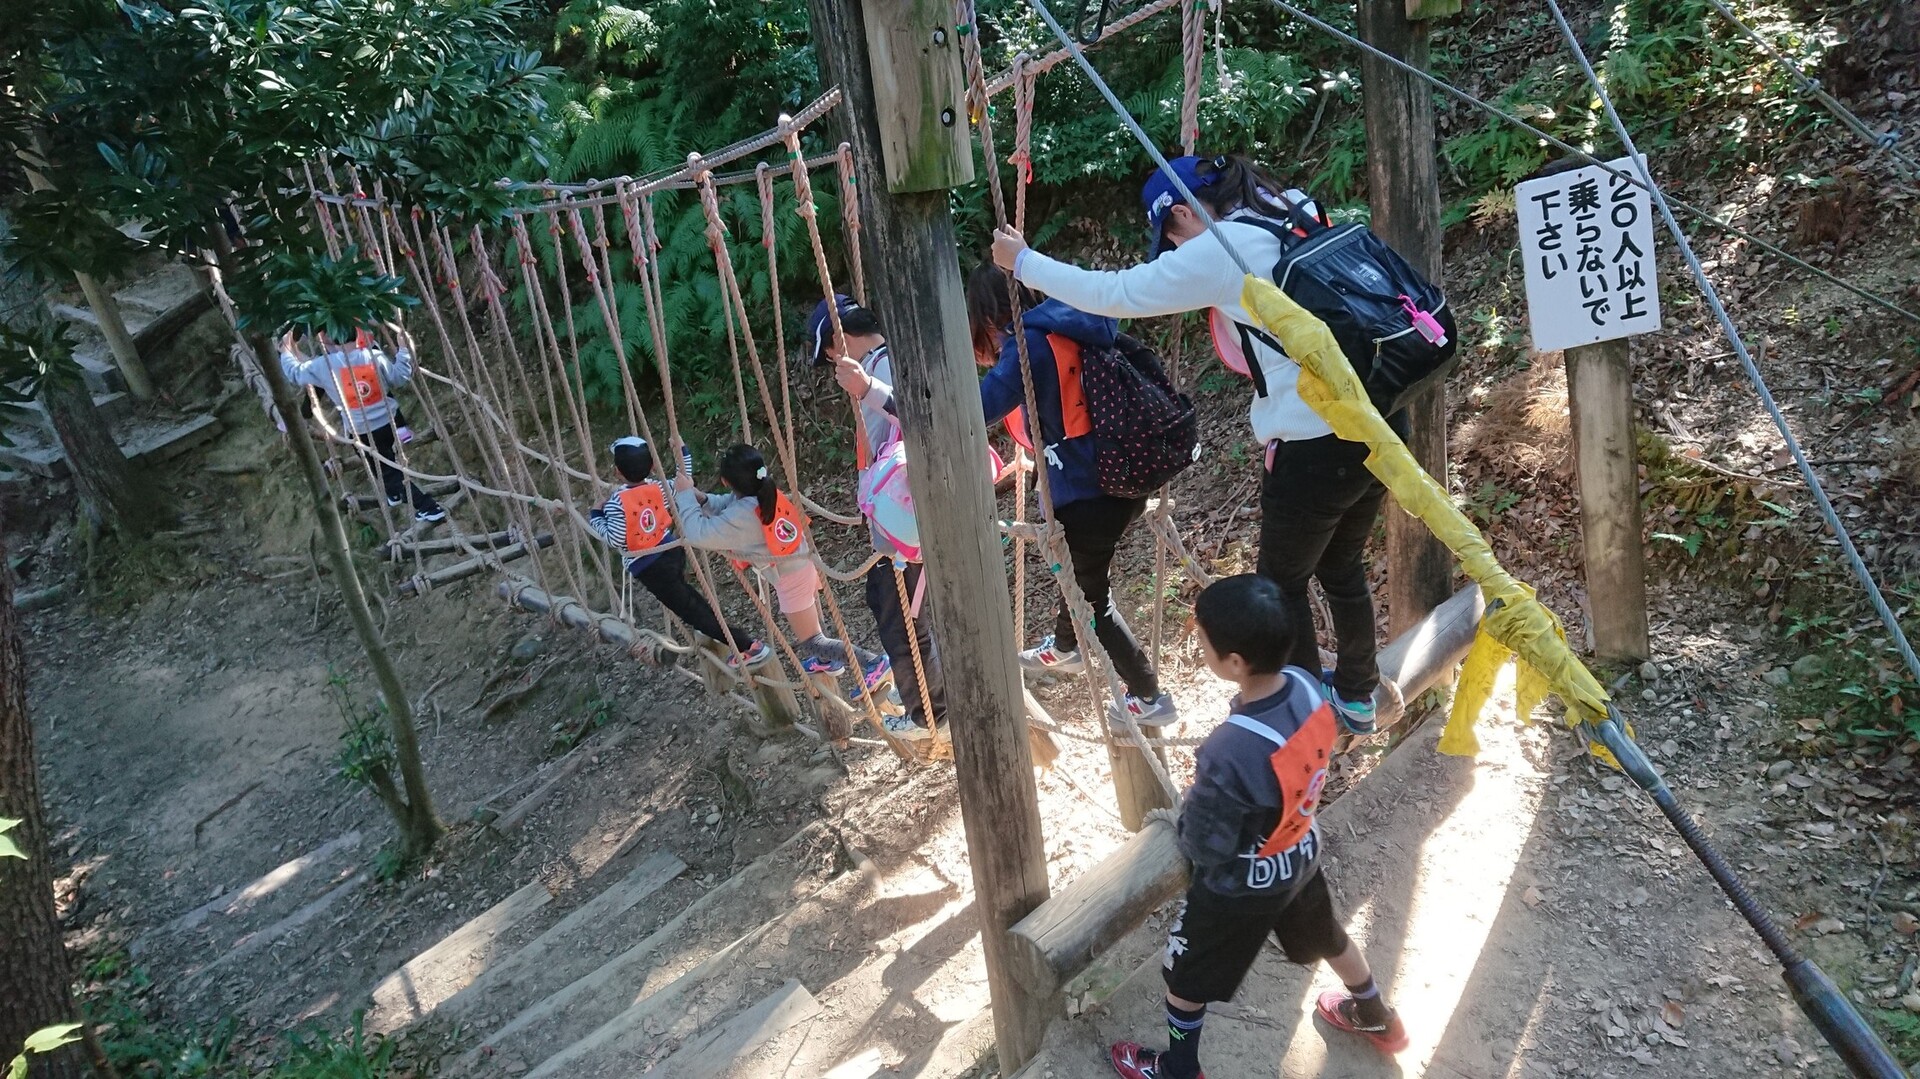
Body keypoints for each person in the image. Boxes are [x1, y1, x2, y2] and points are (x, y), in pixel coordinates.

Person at [991, 154, 1385, 735]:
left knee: (1281, 587)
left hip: (1311, 440)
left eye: (1169, 237)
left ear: (1181, 212)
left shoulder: (1223, 247)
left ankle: (1302, 723)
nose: (1173, 250)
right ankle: (1355, 695)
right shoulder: (1293, 208)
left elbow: (1118, 293)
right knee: (1342, 566)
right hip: (1375, 422)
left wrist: (1023, 262)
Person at [1110, 573, 1406, 1079]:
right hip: (1299, 855)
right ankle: (1377, 1016)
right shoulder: (1308, 687)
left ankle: (1179, 1069)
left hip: (1241, 887)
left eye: (1203, 639)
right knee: (1329, 936)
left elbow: (1205, 841)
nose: (1197, 642)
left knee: (1185, 974)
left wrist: (1186, 822)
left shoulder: (1229, 750)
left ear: (1235, 663)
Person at [954, 262, 1173, 724]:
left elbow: (976, 408)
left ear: (987, 315)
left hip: (1084, 490)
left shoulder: (1027, 345)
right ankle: (1066, 645)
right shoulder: (1077, 324)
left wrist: (899, 402)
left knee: (1092, 598)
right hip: (1122, 473)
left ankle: (1148, 696)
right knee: (1079, 573)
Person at [807, 294, 947, 742]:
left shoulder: (884, 366)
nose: (831, 361)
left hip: (908, 519)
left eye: (828, 350)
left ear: (839, 340)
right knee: (902, 607)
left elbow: (927, 415)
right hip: (914, 512)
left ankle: (932, 713)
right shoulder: (899, 353)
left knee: (900, 616)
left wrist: (867, 389)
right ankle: (935, 705)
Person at [672, 442, 892, 697]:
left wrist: (685, 497)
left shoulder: (744, 515)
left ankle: (873, 662)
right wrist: (702, 499)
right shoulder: (762, 493)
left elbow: (698, 534)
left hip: (792, 577)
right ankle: (828, 660)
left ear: (725, 481)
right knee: (812, 628)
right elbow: (727, 505)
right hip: (800, 565)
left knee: (812, 640)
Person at [586, 436, 772, 670]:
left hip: (650, 567)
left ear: (617, 472)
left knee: (691, 609)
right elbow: (684, 479)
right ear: (653, 467)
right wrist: (682, 450)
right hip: (672, 552)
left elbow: (614, 538)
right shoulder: (659, 487)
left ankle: (747, 646)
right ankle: (713, 628)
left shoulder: (615, 504)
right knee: (686, 596)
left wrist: (596, 516)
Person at [279, 323, 444, 522]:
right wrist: (403, 350)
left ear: (328, 340)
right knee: (385, 461)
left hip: (363, 431)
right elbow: (400, 377)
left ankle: (428, 507)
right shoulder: (372, 356)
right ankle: (394, 495)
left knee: (387, 472)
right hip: (390, 422)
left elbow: (294, 372)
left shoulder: (325, 366)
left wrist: (286, 349)